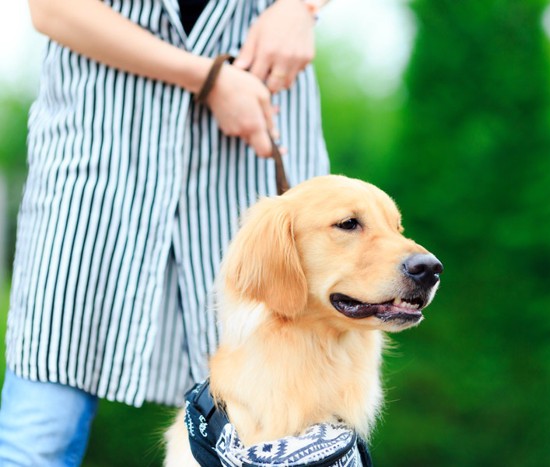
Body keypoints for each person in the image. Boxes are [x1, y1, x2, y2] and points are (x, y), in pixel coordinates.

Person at [0, 0, 330, 464]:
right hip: (99, 154)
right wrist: (208, 78)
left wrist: (299, 9)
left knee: (276, 426)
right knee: (42, 424)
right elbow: (53, 8)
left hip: (248, 157)